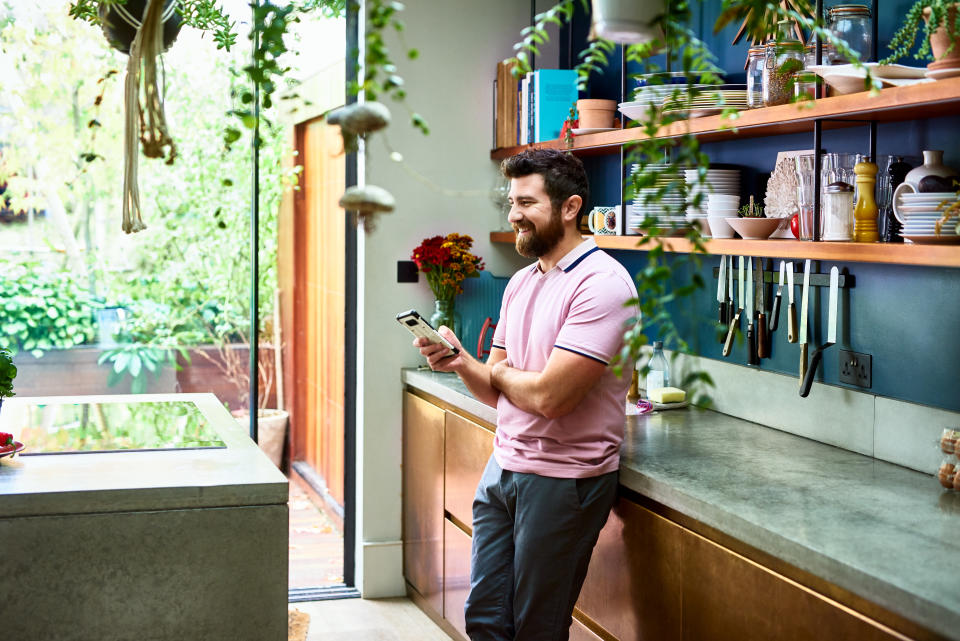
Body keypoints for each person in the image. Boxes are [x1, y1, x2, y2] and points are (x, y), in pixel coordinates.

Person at [414, 148, 638, 641]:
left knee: (537, 628)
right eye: (511, 201)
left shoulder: (603, 285)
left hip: (563, 480)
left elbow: (549, 398)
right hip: (505, 468)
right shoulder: (520, 282)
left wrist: (502, 376)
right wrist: (460, 363)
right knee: (487, 620)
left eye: (527, 202)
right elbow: (498, 386)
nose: (513, 214)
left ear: (570, 207)